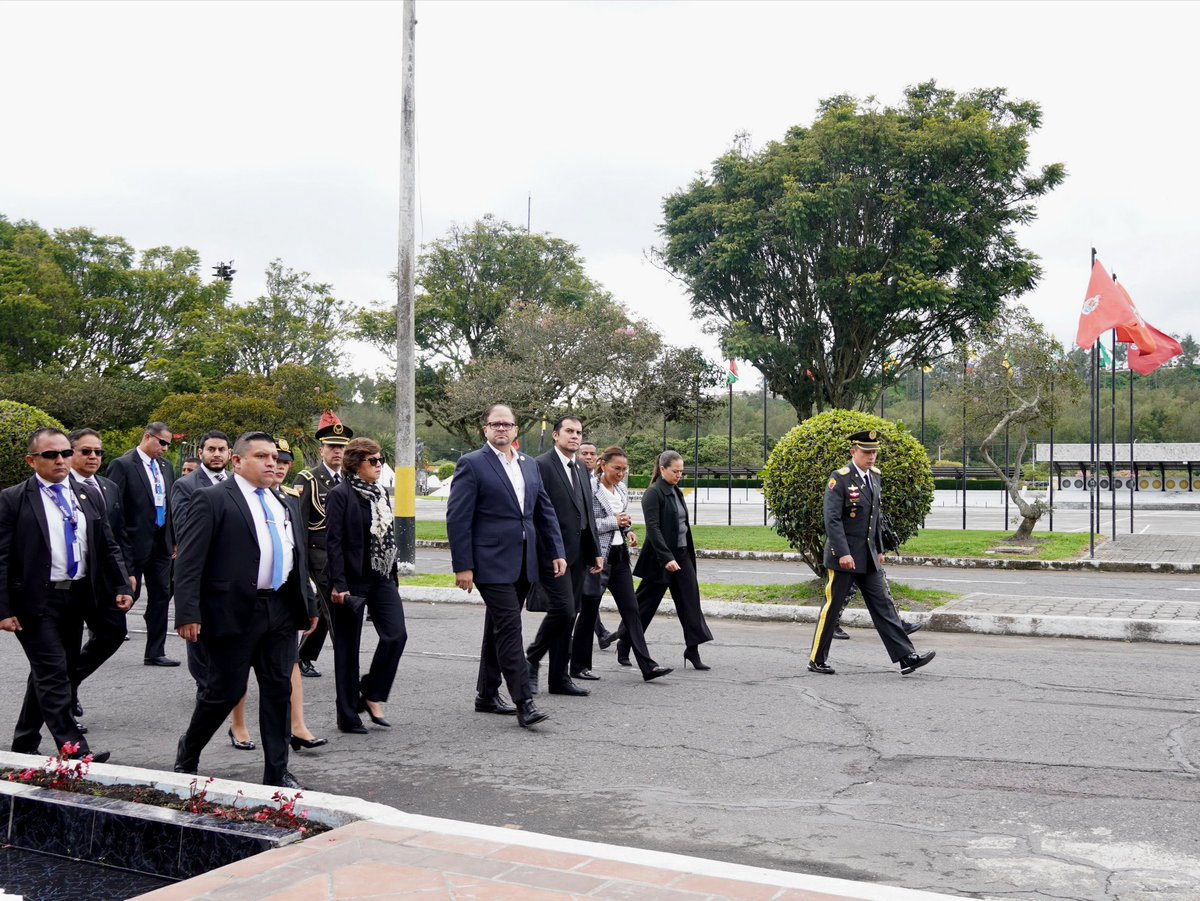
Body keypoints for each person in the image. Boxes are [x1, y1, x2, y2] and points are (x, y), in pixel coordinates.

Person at [173, 432, 317, 789]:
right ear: (237, 462)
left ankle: (277, 772)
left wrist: (309, 604)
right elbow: (189, 563)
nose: (272, 463)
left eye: (275, 457)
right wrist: (188, 613)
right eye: (262, 456)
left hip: (280, 609)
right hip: (233, 612)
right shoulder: (211, 500)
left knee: (278, 689)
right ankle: (188, 752)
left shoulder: (286, 501)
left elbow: (297, 557)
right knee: (223, 691)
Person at [1, 428, 132, 761]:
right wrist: (2, 608)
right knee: (53, 671)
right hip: (35, 601)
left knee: (52, 671)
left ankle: (24, 741)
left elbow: (107, 543)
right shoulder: (13, 499)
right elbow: (1, 558)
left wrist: (120, 585)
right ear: (32, 460)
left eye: (63, 453)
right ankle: (75, 751)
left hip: (77, 596)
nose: (60, 460)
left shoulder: (86, 494)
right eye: (50, 455)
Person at [446, 404, 565, 728]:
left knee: (497, 627)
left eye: (507, 424)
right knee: (510, 627)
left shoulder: (528, 465)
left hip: (524, 561)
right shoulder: (471, 464)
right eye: (495, 424)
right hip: (489, 563)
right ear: (485, 429)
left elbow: (544, 511)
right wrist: (463, 566)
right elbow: (458, 518)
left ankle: (486, 694)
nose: (501, 429)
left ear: (515, 430)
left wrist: (556, 551)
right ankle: (524, 700)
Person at [808, 430, 935, 676]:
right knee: (831, 608)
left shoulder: (874, 477)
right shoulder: (840, 478)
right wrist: (843, 553)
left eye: (874, 451)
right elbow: (832, 520)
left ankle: (906, 657)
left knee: (884, 606)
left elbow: (874, 520)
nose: (872, 456)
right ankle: (816, 659)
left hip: (868, 555)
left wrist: (879, 549)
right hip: (844, 557)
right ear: (853, 451)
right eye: (867, 452)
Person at [325, 437, 407, 734]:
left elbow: (388, 538)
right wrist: (338, 584)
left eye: (381, 460)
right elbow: (332, 542)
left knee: (396, 635)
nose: (379, 465)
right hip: (351, 580)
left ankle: (371, 692)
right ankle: (348, 716)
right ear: (355, 463)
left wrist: (392, 575)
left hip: (381, 576)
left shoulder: (380, 492)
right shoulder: (340, 495)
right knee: (347, 649)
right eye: (373, 461)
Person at [525, 415, 602, 697]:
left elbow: (587, 511)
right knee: (563, 610)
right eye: (569, 431)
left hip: (579, 554)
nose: (575, 436)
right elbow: (534, 511)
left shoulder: (581, 467)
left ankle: (558, 678)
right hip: (553, 553)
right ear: (555, 436)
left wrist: (595, 550)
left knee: (570, 616)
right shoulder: (540, 465)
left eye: (579, 432)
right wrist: (545, 550)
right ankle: (532, 658)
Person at [616, 450, 714, 670]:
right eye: (675, 471)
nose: (679, 475)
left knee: (690, 603)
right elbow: (653, 528)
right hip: (660, 559)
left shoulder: (676, 491)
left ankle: (692, 649)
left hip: (682, 555)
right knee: (644, 605)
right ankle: (625, 641)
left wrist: (682, 554)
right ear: (662, 469)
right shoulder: (653, 493)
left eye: (682, 471)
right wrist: (666, 557)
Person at [582, 447, 672, 683]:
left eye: (624, 469)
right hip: (597, 556)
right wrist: (615, 522)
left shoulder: (621, 489)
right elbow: (587, 525)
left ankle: (648, 666)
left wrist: (628, 530)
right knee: (588, 610)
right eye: (616, 469)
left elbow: (621, 517)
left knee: (632, 610)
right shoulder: (590, 489)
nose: (621, 474)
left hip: (619, 555)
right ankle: (578, 664)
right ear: (603, 465)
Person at [66, 428, 135, 731]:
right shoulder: (60, 487)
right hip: (71, 581)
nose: (94, 457)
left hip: (105, 581)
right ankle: (61, 705)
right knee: (62, 649)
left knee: (113, 633)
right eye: (86, 451)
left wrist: (126, 575)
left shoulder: (108, 487)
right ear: (70, 454)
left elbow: (119, 535)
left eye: (98, 452)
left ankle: (69, 682)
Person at [105, 421, 178, 667]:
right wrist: (118, 541)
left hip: (161, 542)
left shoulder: (166, 467)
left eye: (169, 444)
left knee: (161, 596)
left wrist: (174, 539)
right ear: (148, 437)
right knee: (128, 593)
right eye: (162, 443)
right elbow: (113, 508)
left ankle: (155, 651)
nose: (166, 449)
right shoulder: (123, 465)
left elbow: (171, 505)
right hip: (132, 543)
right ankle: (102, 633)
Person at [273, 439, 326, 752]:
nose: (277, 465)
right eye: (270, 458)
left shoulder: (291, 499)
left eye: (282, 461)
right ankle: (237, 727)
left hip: (283, 598)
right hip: (248, 600)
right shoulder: (229, 498)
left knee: (290, 663)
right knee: (232, 679)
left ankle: (298, 728)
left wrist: (308, 597)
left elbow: (299, 551)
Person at [293, 411, 353, 678]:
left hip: (342, 555)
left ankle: (302, 655)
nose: (337, 452)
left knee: (322, 606)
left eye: (341, 447)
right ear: (321, 451)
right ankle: (347, 665)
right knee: (337, 610)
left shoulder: (349, 479)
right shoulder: (308, 479)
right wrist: (302, 566)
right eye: (332, 447)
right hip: (319, 555)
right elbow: (300, 526)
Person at [575, 441, 616, 648]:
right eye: (584, 453)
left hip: (597, 548)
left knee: (589, 595)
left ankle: (597, 633)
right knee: (585, 595)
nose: (588, 457)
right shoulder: (575, 479)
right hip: (578, 547)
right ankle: (587, 635)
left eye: (592, 454)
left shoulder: (598, 482)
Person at [170, 431, 230, 539]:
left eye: (221, 449)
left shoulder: (237, 480)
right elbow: (184, 533)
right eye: (211, 449)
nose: (217, 454)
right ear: (200, 453)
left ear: (229, 453)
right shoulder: (184, 485)